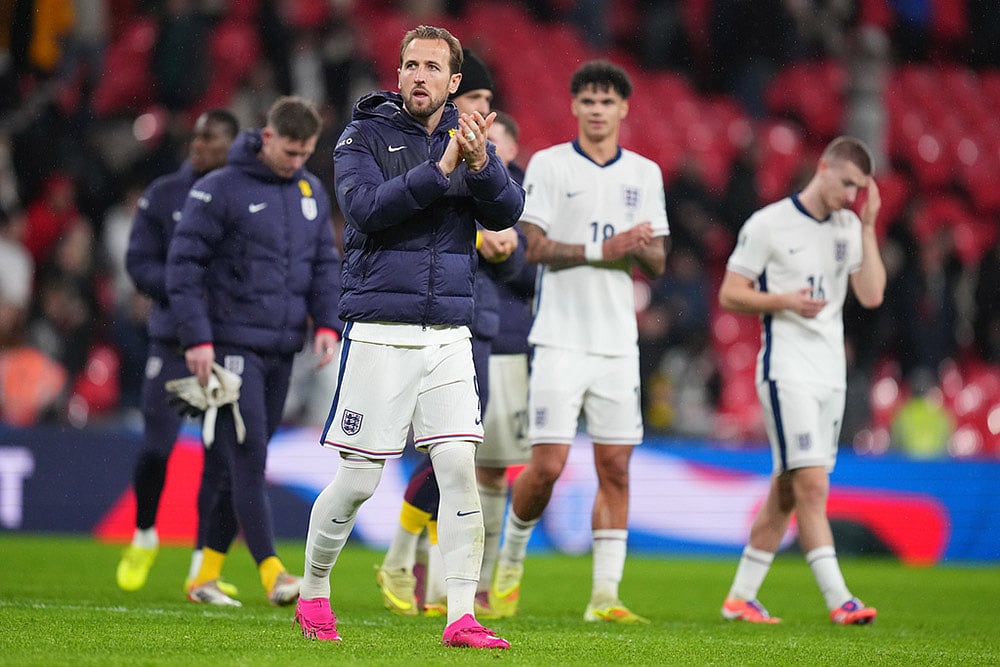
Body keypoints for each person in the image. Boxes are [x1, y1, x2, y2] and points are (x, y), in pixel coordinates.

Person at [295, 25, 523, 649]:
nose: (419, 76)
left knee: (457, 467)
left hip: (450, 328)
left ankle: (459, 617)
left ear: (454, 82)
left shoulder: (471, 137)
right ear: (398, 74)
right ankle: (314, 591)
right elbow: (366, 210)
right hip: (380, 330)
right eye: (410, 65)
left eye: (433, 68)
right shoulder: (360, 135)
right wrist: (440, 167)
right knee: (361, 478)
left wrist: (478, 167)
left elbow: (507, 213)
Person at [490, 60, 669, 624]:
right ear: (574, 106)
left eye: (607, 101)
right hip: (561, 338)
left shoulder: (644, 173)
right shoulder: (548, 164)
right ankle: (511, 561)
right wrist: (605, 249)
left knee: (615, 466)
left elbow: (658, 262)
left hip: (617, 342)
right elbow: (532, 246)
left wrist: (638, 246)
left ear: (623, 110)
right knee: (546, 466)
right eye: (588, 100)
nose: (597, 110)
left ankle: (605, 597)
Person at [166, 96, 342, 607]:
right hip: (230, 347)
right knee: (249, 454)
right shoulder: (218, 189)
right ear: (267, 138)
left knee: (232, 460)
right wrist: (197, 338)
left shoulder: (309, 189)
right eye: (289, 151)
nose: (296, 162)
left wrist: (326, 324)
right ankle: (273, 572)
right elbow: (185, 267)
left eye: (305, 153)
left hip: (283, 346)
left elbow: (323, 265)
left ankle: (205, 577)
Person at [373, 48, 527, 619]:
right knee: (434, 455)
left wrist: (501, 247)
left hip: (476, 321)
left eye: (488, 104)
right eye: (475, 102)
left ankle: (437, 584)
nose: (481, 112)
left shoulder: (494, 164)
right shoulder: (425, 152)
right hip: (433, 315)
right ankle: (398, 561)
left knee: (457, 456)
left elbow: (520, 264)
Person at [717, 135, 885, 625]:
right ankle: (840, 599)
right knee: (812, 484)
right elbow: (731, 293)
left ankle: (740, 598)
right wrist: (784, 301)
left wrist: (869, 227)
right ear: (824, 166)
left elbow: (871, 294)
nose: (851, 195)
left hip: (830, 373)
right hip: (785, 368)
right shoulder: (769, 223)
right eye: (847, 183)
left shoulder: (849, 225)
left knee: (789, 487)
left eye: (859, 189)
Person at [116, 109, 241, 595]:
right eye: (197, 134)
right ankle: (145, 532)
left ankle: (199, 568)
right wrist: (181, 289)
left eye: (210, 137)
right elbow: (136, 261)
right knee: (155, 448)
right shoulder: (165, 192)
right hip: (171, 339)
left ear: (231, 145)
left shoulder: (243, 195)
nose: (198, 142)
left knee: (219, 458)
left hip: (228, 340)